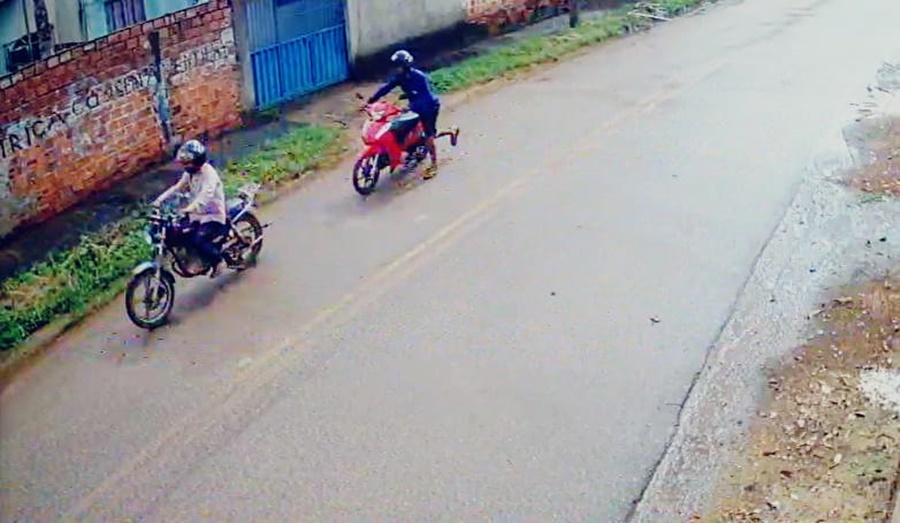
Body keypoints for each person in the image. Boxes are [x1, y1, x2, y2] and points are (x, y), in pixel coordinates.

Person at [152, 139, 227, 278]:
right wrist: (159, 200)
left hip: (212, 215)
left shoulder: (208, 173)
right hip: (196, 215)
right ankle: (192, 258)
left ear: (198, 161)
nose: (185, 166)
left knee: (198, 240)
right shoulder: (190, 173)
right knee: (177, 233)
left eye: (188, 162)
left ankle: (218, 261)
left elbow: (206, 195)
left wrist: (189, 208)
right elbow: (177, 187)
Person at [367, 49, 442, 179]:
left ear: (406, 66)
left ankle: (434, 163)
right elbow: (386, 88)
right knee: (398, 126)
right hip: (416, 105)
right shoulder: (399, 77)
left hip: (429, 107)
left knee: (429, 135)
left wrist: (412, 107)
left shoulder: (419, 77)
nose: (396, 69)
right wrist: (372, 100)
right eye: (395, 67)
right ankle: (407, 149)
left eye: (399, 66)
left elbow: (424, 96)